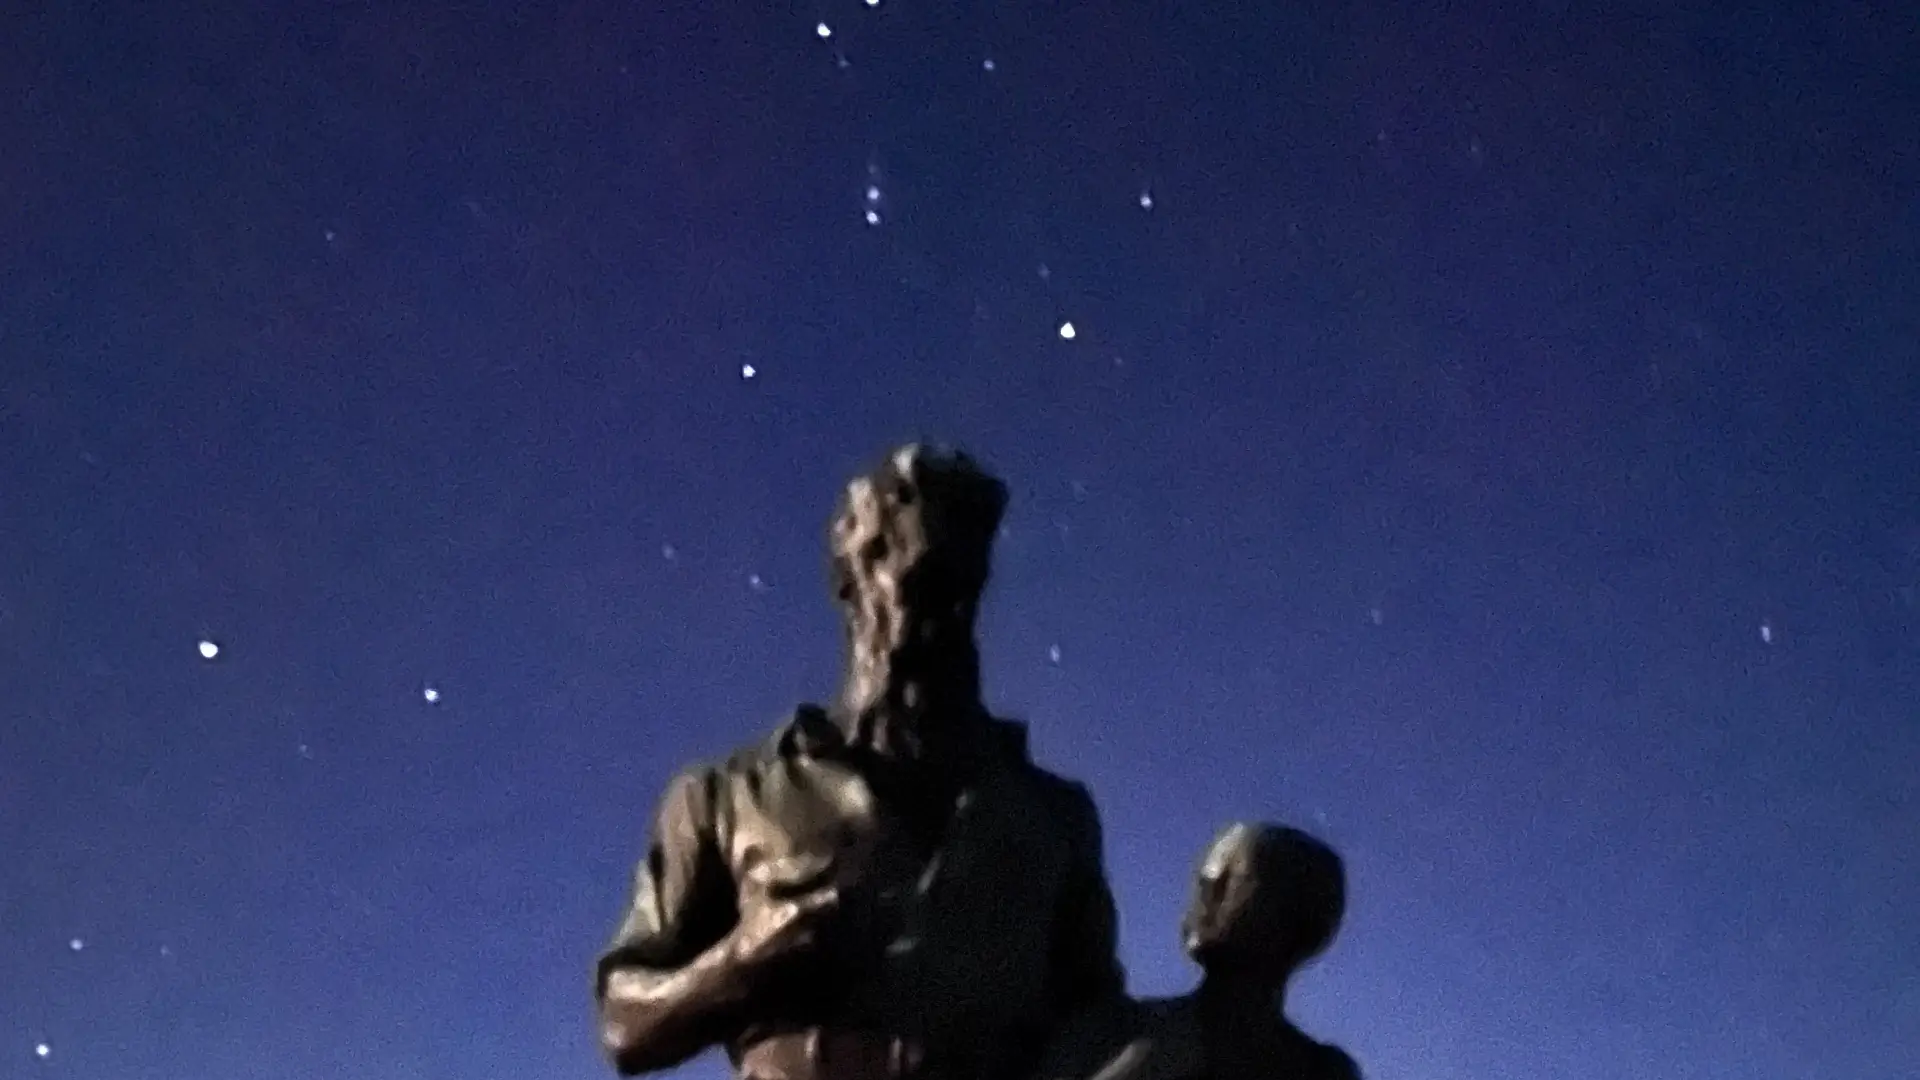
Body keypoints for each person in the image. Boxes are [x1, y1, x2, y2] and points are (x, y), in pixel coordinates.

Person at [593, 444, 1127, 1080]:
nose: (915, 596)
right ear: (846, 578)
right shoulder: (726, 795)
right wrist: (743, 961)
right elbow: (624, 1024)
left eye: (950, 579)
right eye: (891, 563)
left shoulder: (1052, 817)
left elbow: (1105, 1032)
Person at [1033, 822, 1360, 1080]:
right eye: (1204, 877)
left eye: (1233, 880)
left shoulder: (1320, 1071)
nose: (1206, 889)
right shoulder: (1118, 1029)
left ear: (1299, 916)